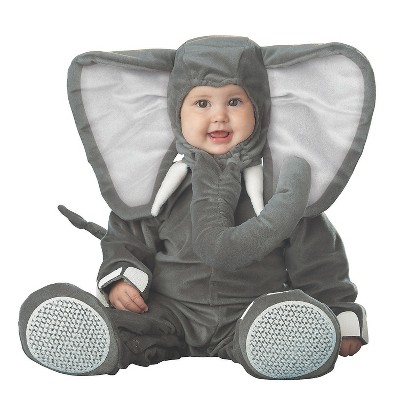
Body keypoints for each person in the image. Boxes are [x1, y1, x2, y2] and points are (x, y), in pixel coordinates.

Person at [19, 36, 368, 380]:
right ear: (174, 111)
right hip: (169, 310)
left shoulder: (279, 192)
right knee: (139, 327)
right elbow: (127, 240)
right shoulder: (156, 192)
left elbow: (319, 258)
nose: (219, 116)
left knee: (272, 321)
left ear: (262, 108)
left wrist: (339, 310)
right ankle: (107, 338)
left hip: (250, 311)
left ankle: (285, 339)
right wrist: (122, 280)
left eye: (235, 101)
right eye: (202, 103)